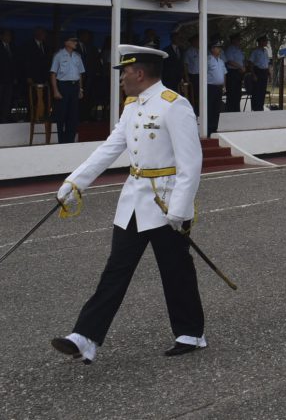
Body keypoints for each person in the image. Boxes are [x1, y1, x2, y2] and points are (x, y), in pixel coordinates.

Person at [51, 45, 205, 363]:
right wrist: (74, 182)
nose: (121, 79)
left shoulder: (174, 106)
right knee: (115, 271)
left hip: (166, 204)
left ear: (139, 73)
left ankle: (190, 333)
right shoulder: (132, 106)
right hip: (134, 202)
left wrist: (180, 208)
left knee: (176, 271)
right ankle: (85, 337)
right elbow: (110, 147)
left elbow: (191, 163)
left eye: (124, 73)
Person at [51, 33, 86, 144]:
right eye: (73, 41)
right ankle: (61, 140)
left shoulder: (77, 56)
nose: (76, 43)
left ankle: (70, 140)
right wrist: (55, 90)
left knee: (73, 114)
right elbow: (53, 74)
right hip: (63, 86)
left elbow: (80, 74)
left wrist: (80, 89)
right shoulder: (59, 56)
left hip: (74, 86)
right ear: (66, 42)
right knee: (62, 114)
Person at [205, 39, 226, 136]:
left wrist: (224, 85)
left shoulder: (221, 61)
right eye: (217, 48)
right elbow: (203, 73)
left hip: (219, 87)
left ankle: (215, 128)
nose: (219, 50)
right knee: (210, 108)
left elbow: (224, 73)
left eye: (220, 48)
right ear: (212, 49)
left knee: (217, 108)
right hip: (210, 87)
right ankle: (208, 129)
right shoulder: (208, 59)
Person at [223, 34, 245, 113]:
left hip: (238, 73)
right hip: (232, 73)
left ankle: (236, 110)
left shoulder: (239, 49)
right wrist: (240, 67)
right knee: (232, 93)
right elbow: (229, 61)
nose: (239, 41)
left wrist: (242, 67)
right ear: (233, 40)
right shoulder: (230, 49)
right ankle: (230, 111)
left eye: (239, 39)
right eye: (238, 39)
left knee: (237, 94)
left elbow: (242, 60)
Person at [249, 35, 271, 111]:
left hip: (264, 72)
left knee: (262, 91)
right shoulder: (255, 51)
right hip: (258, 72)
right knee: (257, 92)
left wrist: (269, 73)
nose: (266, 42)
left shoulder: (265, 51)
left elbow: (267, 63)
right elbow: (251, 64)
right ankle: (255, 108)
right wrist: (253, 74)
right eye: (265, 41)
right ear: (260, 42)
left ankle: (260, 107)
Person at [0, 28, 15, 123]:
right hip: (1, 79)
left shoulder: (12, 47)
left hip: (9, 79)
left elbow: (14, 63)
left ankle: (4, 118)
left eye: (10, 35)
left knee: (7, 100)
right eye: (7, 35)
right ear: (1, 36)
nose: (9, 37)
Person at [183, 35, 200, 115]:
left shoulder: (202, 50)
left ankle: (201, 110)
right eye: (196, 40)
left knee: (202, 95)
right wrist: (187, 77)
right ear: (192, 42)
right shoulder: (189, 51)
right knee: (195, 95)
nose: (198, 42)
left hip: (202, 76)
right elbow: (186, 65)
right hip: (193, 76)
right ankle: (195, 112)